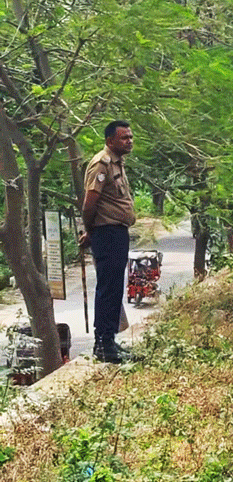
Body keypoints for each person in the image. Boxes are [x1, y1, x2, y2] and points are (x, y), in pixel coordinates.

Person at [80, 120, 136, 364]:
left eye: (130, 137)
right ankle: (102, 343)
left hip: (117, 231)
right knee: (107, 288)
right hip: (106, 232)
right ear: (110, 140)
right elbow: (90, 202)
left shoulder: (117, 163)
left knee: (115, 288)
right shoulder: (101, 163)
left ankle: (110, 340)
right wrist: (90, 231)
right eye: (124, 138)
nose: (129, 141)